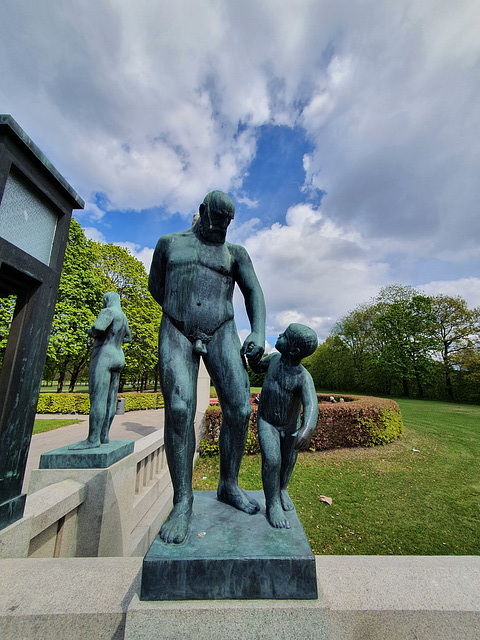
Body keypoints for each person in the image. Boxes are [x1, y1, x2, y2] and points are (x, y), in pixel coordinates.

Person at [149, 190, 266, 544]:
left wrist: (259, 331)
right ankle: (182, 501)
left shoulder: (235, 253)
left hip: (222, 330)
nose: (223, 229)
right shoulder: (169, 244)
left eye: (229, 223)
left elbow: (253, 291)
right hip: (177, 330)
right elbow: (157, 287)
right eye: (217, 220)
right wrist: (181, 311)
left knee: (240, 406)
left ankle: (228, 485)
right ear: (201, 213)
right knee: (181, 407)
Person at [248, 323, 318, 529]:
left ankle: (283, 489)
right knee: (272, 460)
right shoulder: (274, 359)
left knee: (288, 460)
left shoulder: (303, 377)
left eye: (284, 336)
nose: (279, 335)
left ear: (294, 350)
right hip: (267, 421)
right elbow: (257, 366)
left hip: (290, 427)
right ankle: (273, 504)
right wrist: (252, 357)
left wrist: (307, 429)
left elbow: (312, 405)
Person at [70, 292, 131, 450]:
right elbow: (128, 338)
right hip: (119, 356)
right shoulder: (123, 316)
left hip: (105, 355)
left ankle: (93, 439)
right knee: (111, 399)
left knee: (98, 398)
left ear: (107, 300)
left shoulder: (108, 312)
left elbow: (98, 327)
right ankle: (104, 435)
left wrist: (91, 331)